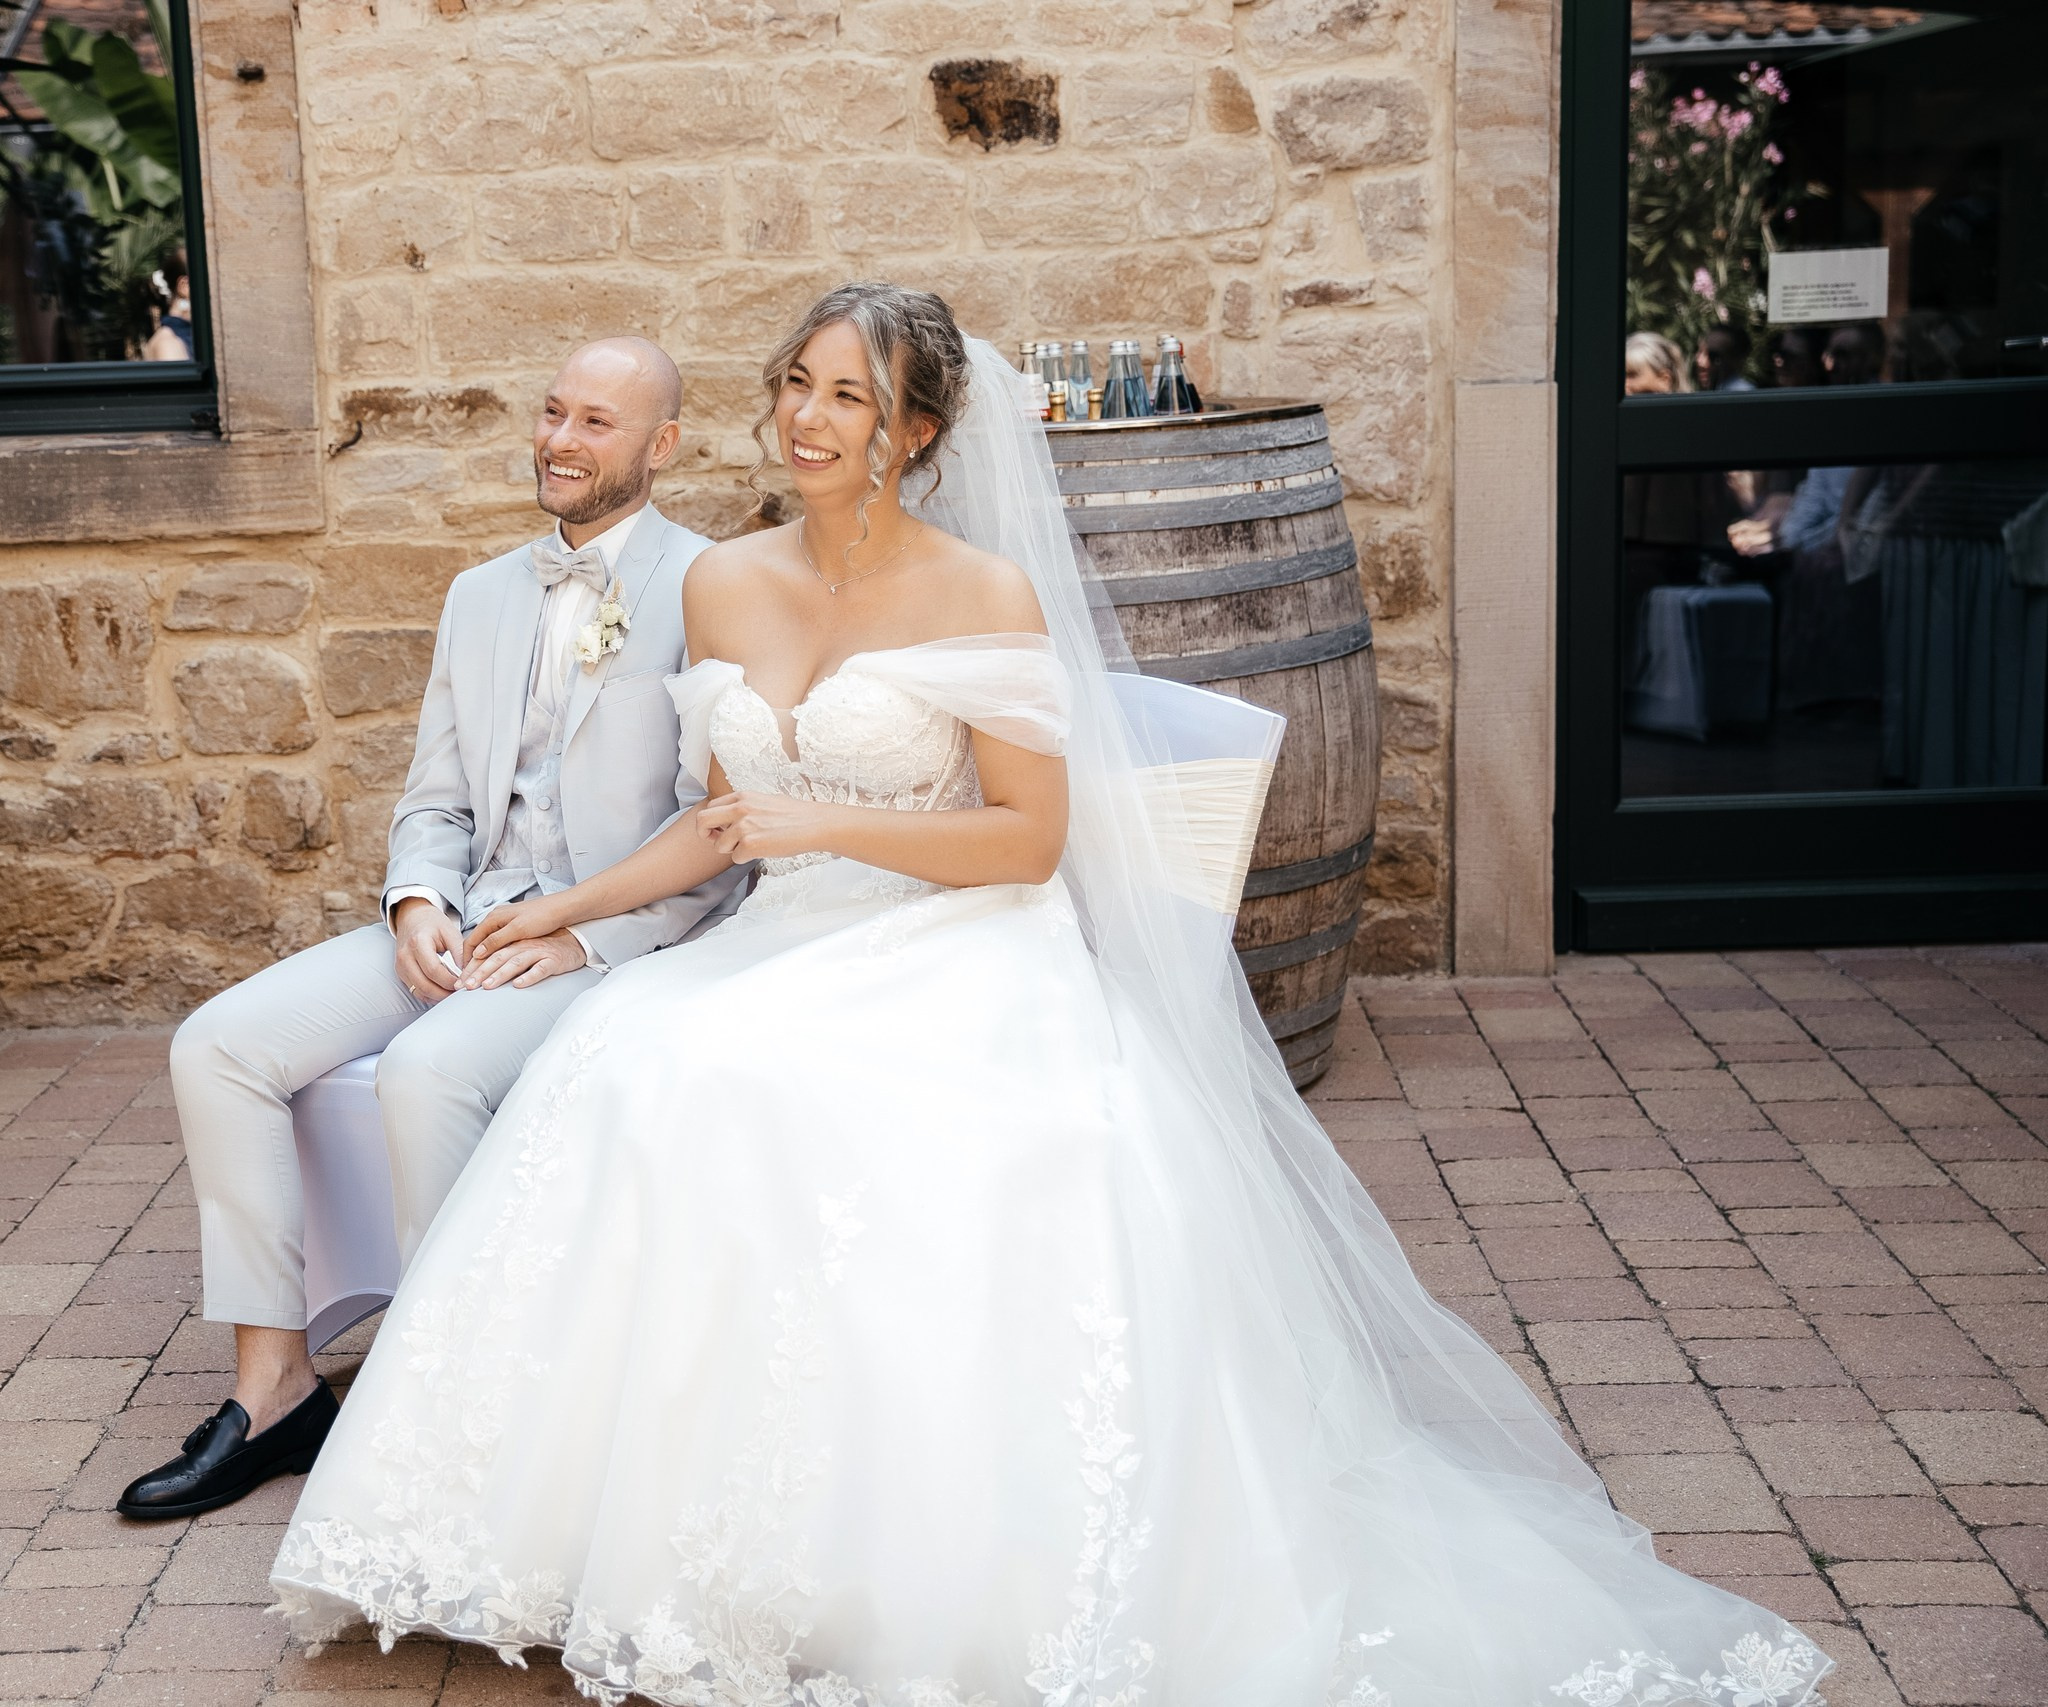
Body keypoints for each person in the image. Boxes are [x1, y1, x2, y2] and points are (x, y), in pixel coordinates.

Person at [269, 284, 1832, 1707]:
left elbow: (1027, 839)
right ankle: (576, 1524)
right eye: (798, 385)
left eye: (853, 401)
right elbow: (717, 816)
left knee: (771, 1091)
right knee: (625, 1058)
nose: (809, 420)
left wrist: (830, 822)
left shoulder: (982, 592)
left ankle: (883, 1557)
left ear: (920, 434)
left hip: (956, 935)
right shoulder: (726, 583)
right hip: (780, 934)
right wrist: (569, 897)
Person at [117, 338, 742, 1520]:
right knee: (217, 1044)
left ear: (662, 446)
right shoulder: (479, 594)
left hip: (612, 936)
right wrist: (416, 901)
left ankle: (460, 1412)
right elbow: (437, 797)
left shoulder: (711, 587)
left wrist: (584, 938)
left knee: (427, 1071)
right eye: (551, 411)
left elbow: (718, 829)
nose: (559, 440)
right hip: (470, 914)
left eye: (596, 423)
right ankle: (277, 1390)